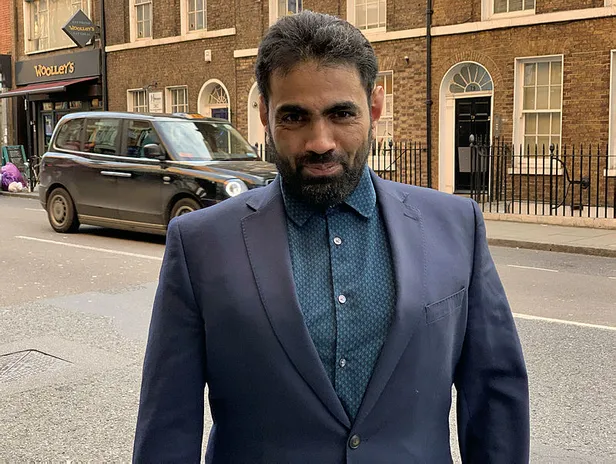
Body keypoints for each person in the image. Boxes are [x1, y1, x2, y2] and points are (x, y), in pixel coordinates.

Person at [133, 10, 529, 463]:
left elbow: (494, 395)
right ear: (264, 114)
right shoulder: (199, 244)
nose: (320, 141)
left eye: (341, 113)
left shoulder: (456, 225)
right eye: (294, 117)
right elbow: (168, 424)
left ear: (375, 106)